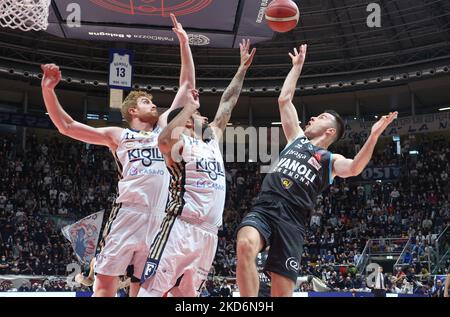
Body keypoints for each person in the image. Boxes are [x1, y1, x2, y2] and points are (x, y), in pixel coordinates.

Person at [41, 14, 195, 297]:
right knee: (105, 285)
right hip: (129, 213)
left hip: (159, 217)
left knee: (151, 288)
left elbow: (185, 87)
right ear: (132, 111)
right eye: (147, 101)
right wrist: (48, 90)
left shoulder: (163, 130)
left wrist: (184, 44)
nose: (155, 105)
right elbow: (67, 126)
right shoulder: (118, 135)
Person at [235, 43, 398, 297]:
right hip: (266, 206)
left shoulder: (330, 159)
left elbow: (355, 168)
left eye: (320, 117)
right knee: (245, 245)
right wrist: (297, 67)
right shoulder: (295, 138)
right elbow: (284, 99)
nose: (312, 119)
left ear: (330, 131)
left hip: (293, 220)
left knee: (281, 292)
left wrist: (374, 135)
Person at [138, 40, 256, 297]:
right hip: (180, 227)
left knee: (187, 297)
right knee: (152, 291)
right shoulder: (178, 142)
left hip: (209, 234)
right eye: (199, 115)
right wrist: (189, 108)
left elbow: (227, 103)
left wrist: (241, 69)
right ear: (189, 121)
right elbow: (162, 141)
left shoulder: (211, 139)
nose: (206, 117)